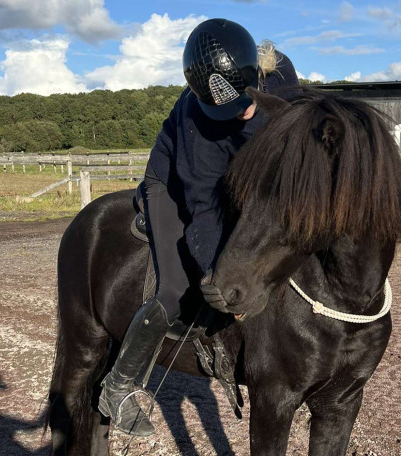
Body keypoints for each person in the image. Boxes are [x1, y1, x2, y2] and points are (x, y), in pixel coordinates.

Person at [97, 18, 299, 436]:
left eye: (243, 101)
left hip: (237, 178)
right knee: (175, 288)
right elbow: (204, 207)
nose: (238, 114)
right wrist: (213, 271)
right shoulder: (199, 118)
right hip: (174, 185)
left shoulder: (281, 77)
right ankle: (118, 385)